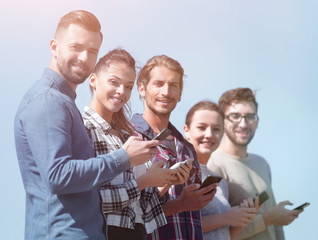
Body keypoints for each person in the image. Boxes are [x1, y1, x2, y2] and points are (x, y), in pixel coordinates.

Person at [14, 10, 159, 240]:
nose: (84, 57)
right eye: (76, 47)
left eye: (92, 51)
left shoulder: (62, 102)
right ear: (54, 47)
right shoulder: (47, 100)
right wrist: (124, 157)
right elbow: (58, 176)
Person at [83, 48, 189, 240]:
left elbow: (141, 208)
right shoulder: (83, 128)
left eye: (128, 86)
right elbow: (89, 201)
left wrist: (164, 181)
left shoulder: (128, 136)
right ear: (93, 80)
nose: (121, 92)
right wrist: (144, 181)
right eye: (114, 82)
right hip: (104, 233)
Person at [130, 55, 218, 240]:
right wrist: (180, 205)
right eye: (159, 84)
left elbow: (192, 210)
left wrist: (199, 198)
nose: (166, 92)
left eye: (173, 85)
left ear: (180, 95)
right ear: (142, 88)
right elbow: (126, 211)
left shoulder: (187, 148)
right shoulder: (128, 138)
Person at [208, 88, 302, 239]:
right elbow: (217, 234)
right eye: (235, 116)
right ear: (222, 120)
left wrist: (273, 218)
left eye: (250, 116)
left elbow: (275, 224)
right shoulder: (214, 165)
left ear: (257, 122)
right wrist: (268, 219)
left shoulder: (261, 163)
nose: (244, 124)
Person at [184, 100, 258, 239]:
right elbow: (178, 225)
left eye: (216, 129)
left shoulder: (220, 182)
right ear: (187, 131)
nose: (209, 134)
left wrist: (241, 218)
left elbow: (224, 234)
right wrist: (227, 218)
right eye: (202, 127)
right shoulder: (182, 173)